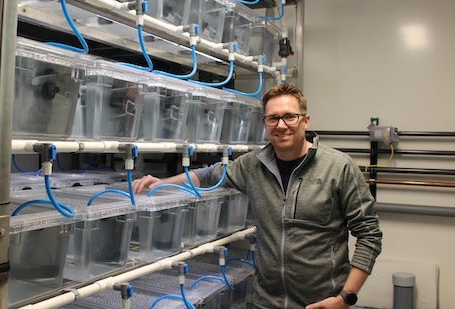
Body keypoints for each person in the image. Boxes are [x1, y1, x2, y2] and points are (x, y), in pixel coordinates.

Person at [133, 83, 383, 309]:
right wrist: (163, 183)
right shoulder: (252, 166)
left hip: (323, 302)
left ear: (306, 120)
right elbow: (209, 175)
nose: (281, 125)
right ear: (265, 123)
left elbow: (369, 234)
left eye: (289, 117)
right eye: (273, 118)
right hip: (267, 301)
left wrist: (346, 297)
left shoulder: (338, 167)